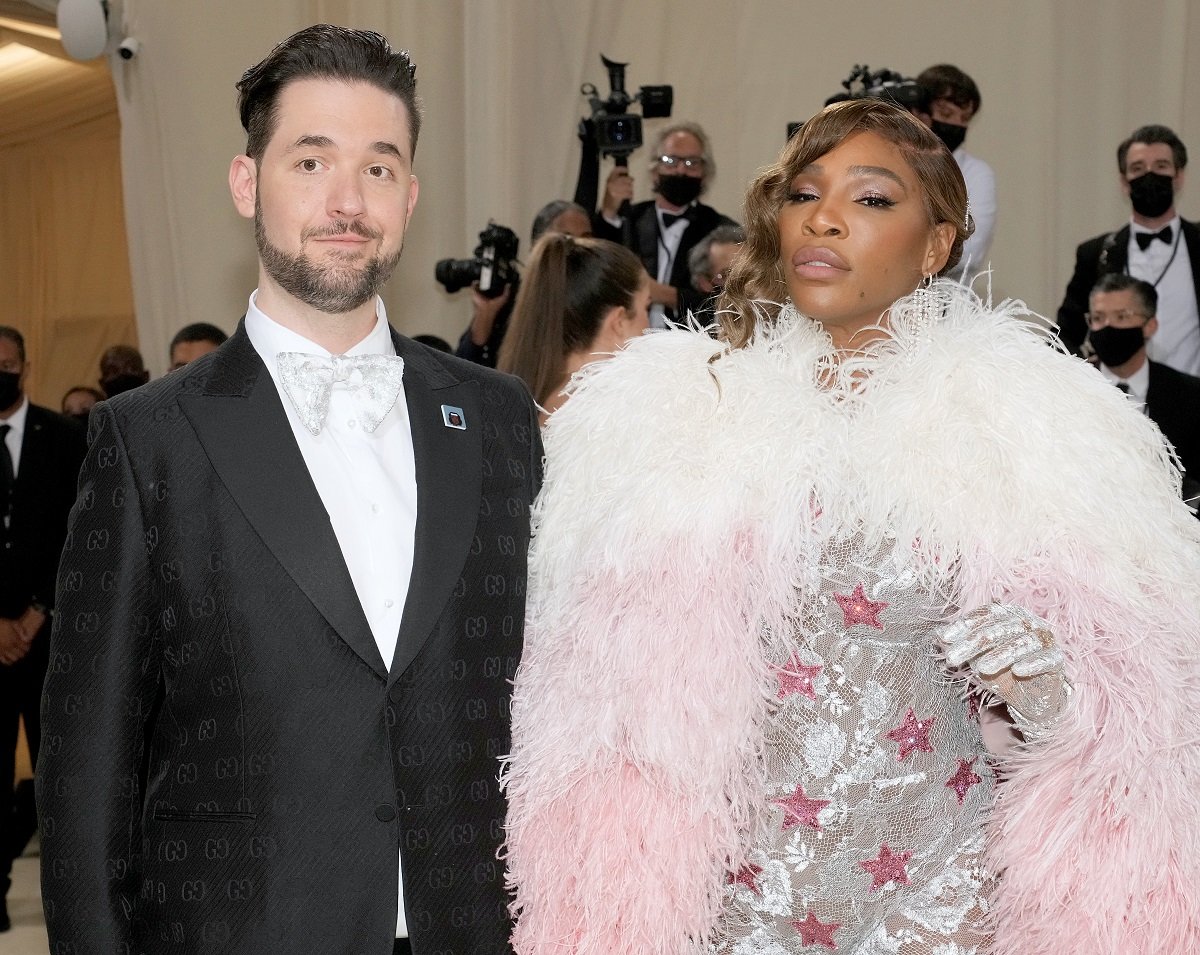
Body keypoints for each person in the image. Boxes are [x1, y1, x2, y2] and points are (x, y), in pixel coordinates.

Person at [502, 99, 1200, 954]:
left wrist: (1053, 689)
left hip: (944, 911)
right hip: (722, 916)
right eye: (803, 193)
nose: (824, 217)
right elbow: (577, 702)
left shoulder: (1037, 431)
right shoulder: (671, 420)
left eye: (871, 199)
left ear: (939, 243)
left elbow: (1151, 709)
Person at [38, 25, 541, 955]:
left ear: (411, 195)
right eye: (311, 161)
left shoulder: (500, 419)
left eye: (379, 168)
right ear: (246, 183)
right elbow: (85, 773)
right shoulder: (148, 439)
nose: (347, 200)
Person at [0, 326, 85, 933]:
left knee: (59, 774)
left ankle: (70, 902)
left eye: (6, 364)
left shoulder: (63, 436)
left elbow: (78, 530)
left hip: (52, 638)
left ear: (24, 367)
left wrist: (36, 611)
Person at [1057, 124, 1199, 371]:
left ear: (1179, 177)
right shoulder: (1095, 254)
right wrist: (1084, 381)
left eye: (1161, 166)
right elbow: (1064, 336)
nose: (1149, 174)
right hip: (1119, 403)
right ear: (1124, 182)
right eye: (1138, 168)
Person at [592, 122, 737, 327]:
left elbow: (729, 302)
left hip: (691, 348)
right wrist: (608, 212)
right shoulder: (629, 220)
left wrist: (665, 294)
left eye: (691, 163)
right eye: (670, 161)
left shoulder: (721, 232)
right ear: (654, 170)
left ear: (705, 173)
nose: (680, 171)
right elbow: (596, 272)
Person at [497, 233, 649, 424]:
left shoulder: (540, 395)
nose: (649, 325)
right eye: (646, 307)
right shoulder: (610, 410)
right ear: (619, 321)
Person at [1086, 272, 1200, 507]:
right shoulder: (1069, 387)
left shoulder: (1189, 395)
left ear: (1149, 326)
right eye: (1098, 318)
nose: (1108, 327)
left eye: (1122, 317)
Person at [455, 200, 592, 368]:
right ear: (539, 247)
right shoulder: (512, 299)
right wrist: (485, 316)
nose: (578, 249)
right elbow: (462, 371)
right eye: (567, 239)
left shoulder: (600, 299)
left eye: (586, 239)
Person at [916, 65, 996, 283]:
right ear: (920, 114)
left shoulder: (976, 173)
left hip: (948, 305)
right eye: (946, 114)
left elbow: (969, 252)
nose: (956, 125)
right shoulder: (893, 162)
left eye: (964, 118)